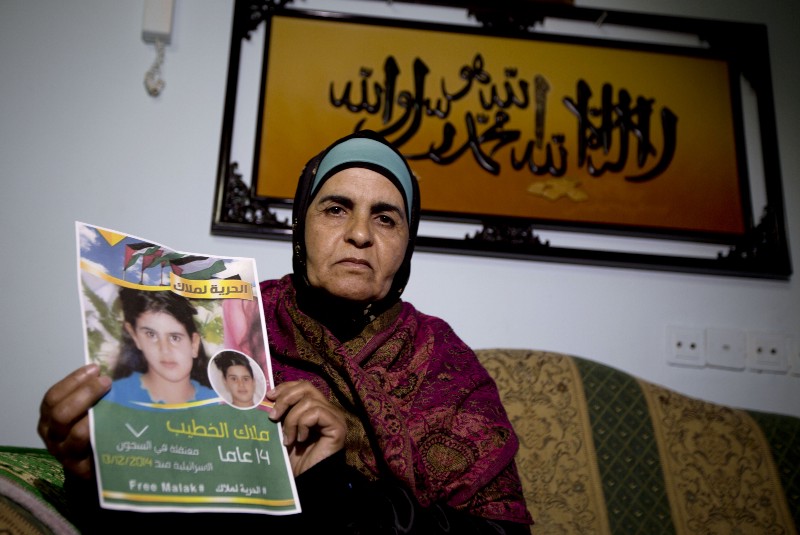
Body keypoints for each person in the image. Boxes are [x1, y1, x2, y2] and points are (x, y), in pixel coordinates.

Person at [38, 130, 533, 533]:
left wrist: (334, 486)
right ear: (301, 225)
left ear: (407, 244)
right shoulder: (231, 323)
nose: (360, 233)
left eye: (386, 218)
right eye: (336, 209)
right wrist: (92, 472)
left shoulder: (442, 362)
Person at [103, 288, 216, 408]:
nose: (164, 350)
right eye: (151, 335)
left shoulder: (218, 402)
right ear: (135, 336)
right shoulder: (113, 399)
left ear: (194, 344)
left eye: (175, 337)